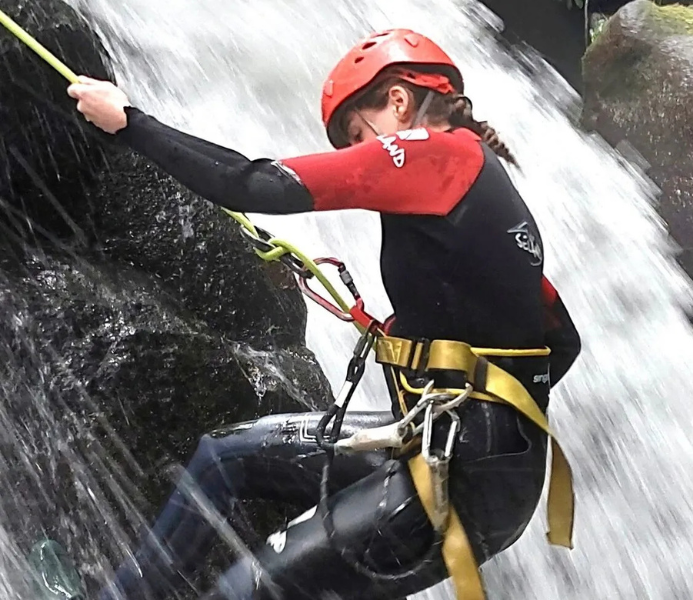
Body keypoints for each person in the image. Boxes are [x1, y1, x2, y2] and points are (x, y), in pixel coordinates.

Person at [39, 28, 581, 600]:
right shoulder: (483, 186)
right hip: (461, 451)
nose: (357, 153)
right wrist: (430, 353)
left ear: (398, 100)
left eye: (356, 133)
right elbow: (559, 340)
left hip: (461, 476)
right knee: (223, 458)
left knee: (242, 592)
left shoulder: (438, 154)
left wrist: (130, 121)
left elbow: (251, 183)